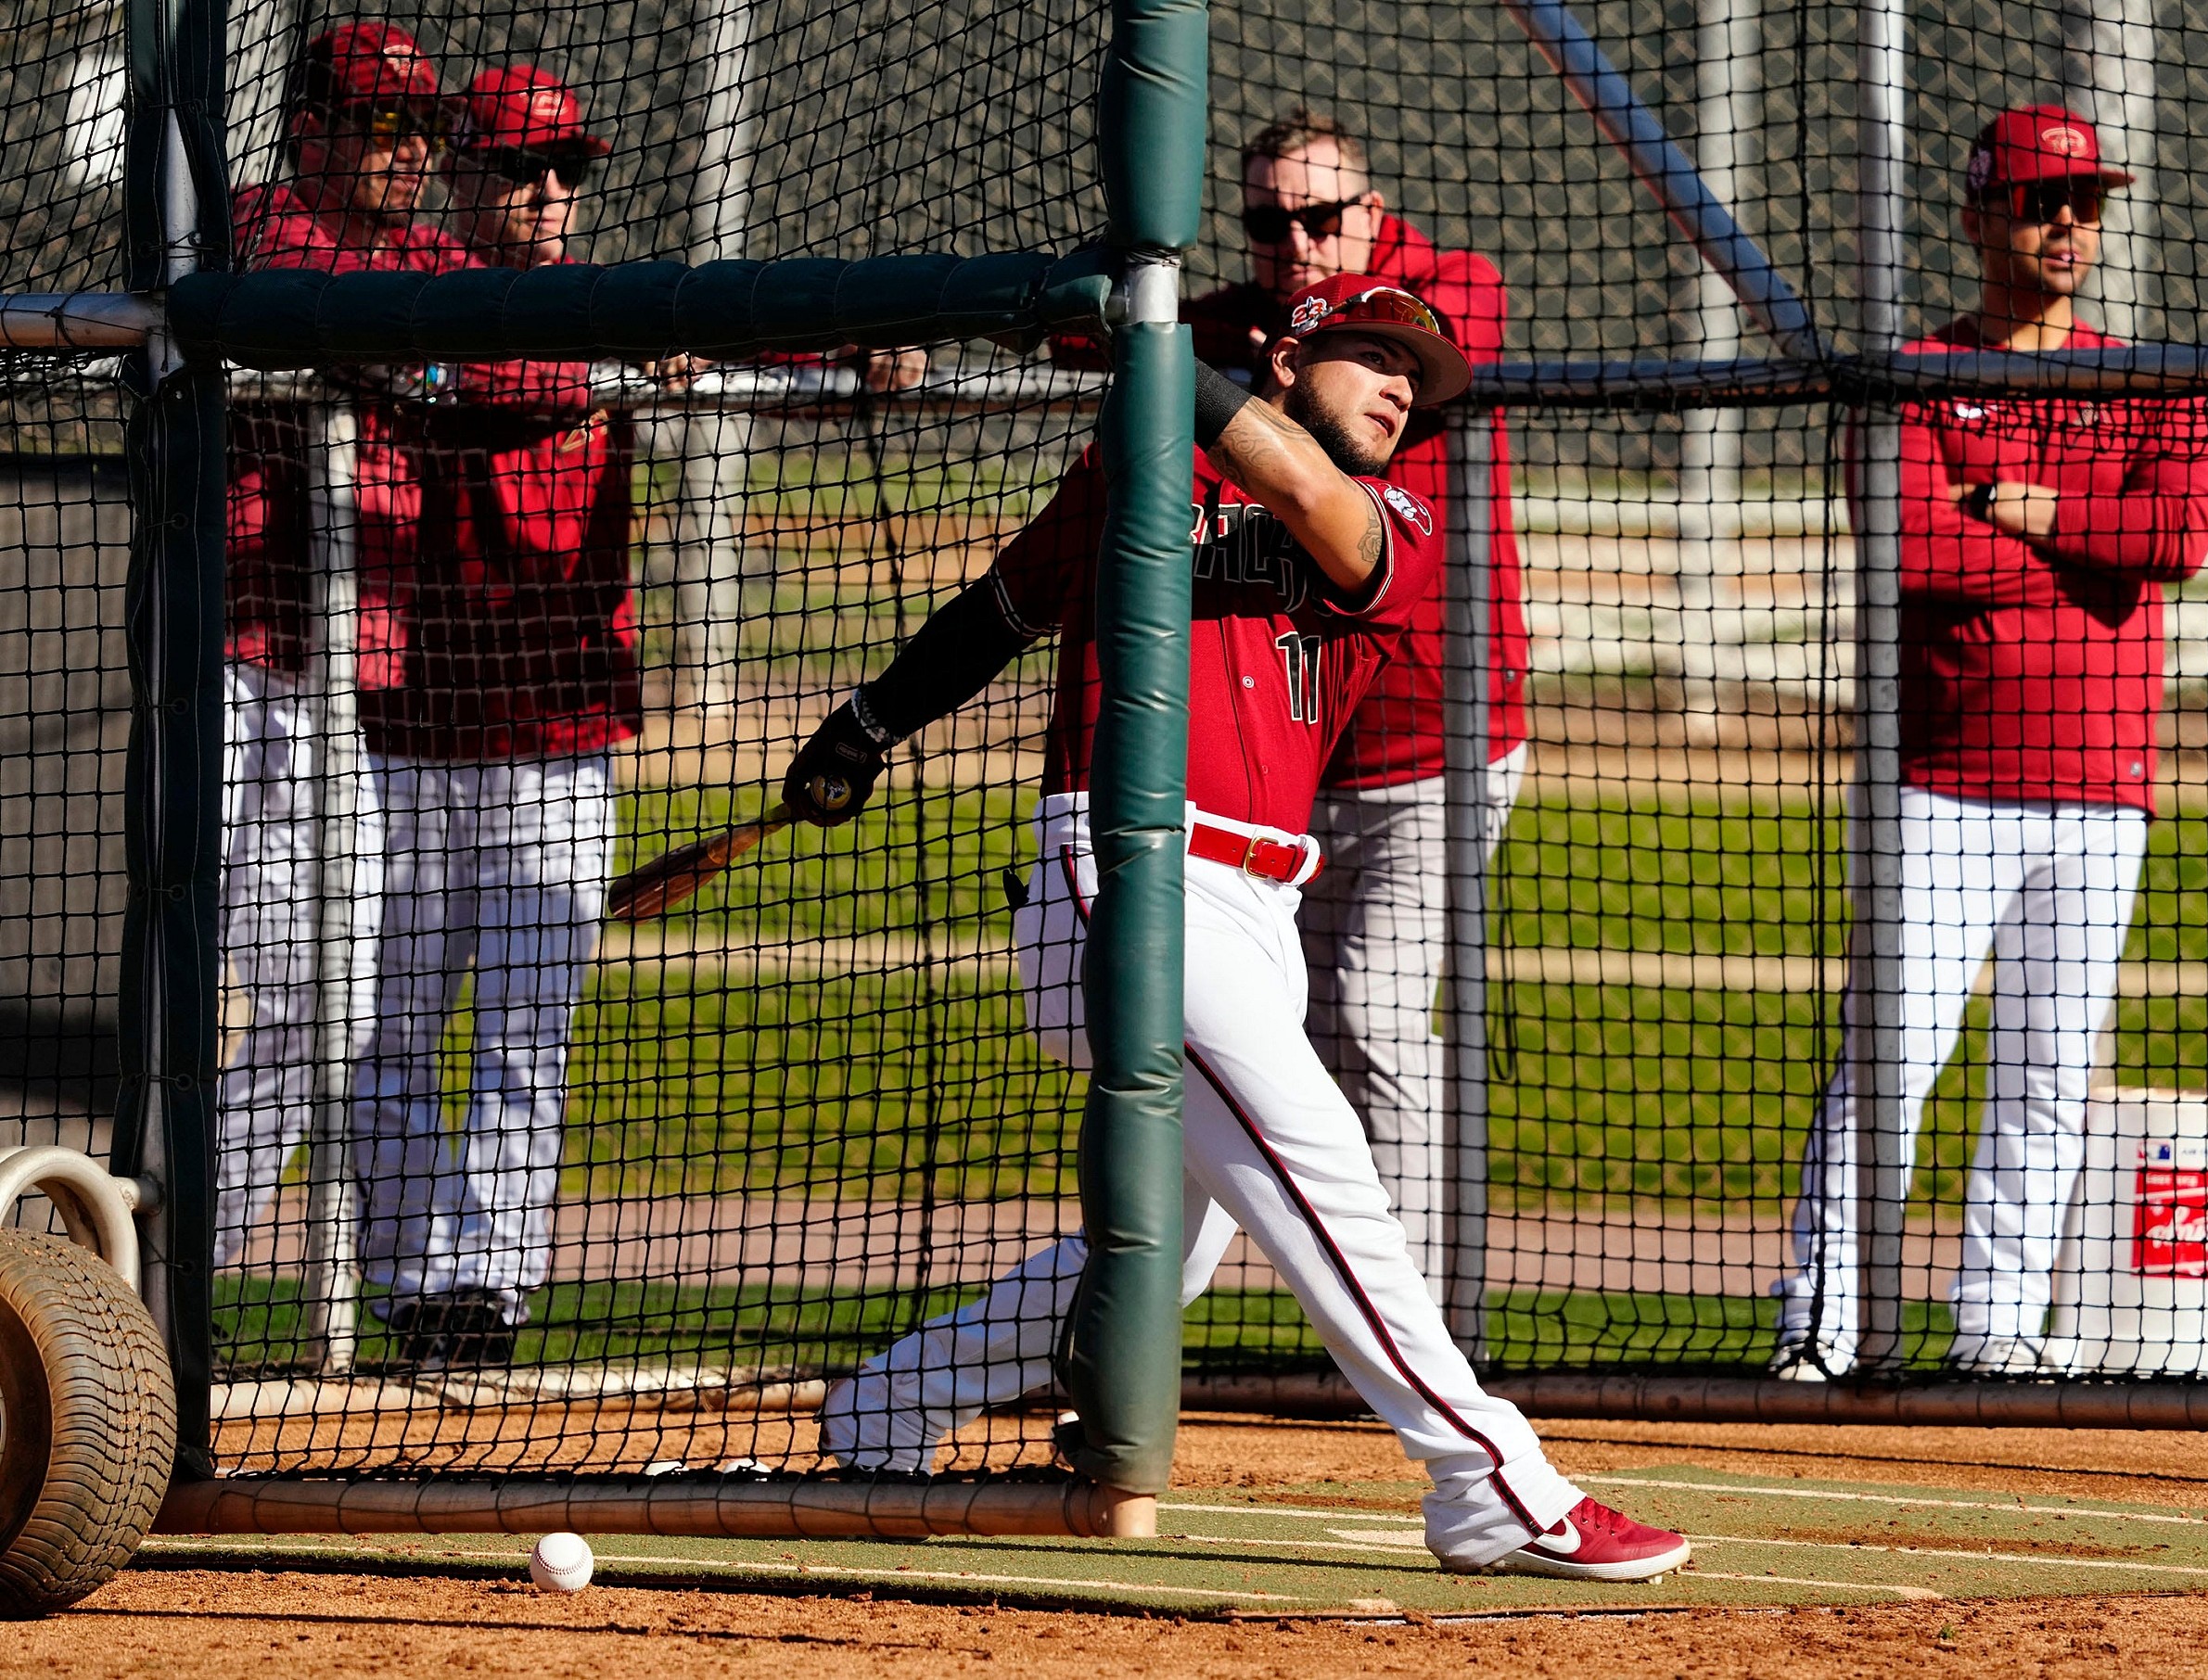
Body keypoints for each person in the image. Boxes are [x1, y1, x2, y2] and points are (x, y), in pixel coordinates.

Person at [785, 275, 1689, 1583]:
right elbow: (1001, 610)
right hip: (1132, 872)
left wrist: (1159, 361)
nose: (1401, 391)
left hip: (1262, 905)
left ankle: (887, 1406)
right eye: (1375, 357)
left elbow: (1307, 493)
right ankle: (1490, 1484)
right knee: (1328, 1176)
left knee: (1165, 1253)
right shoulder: (1134, 468)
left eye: (1419, 380)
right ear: (1286, 358)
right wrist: (868, 723)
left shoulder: (1396, 515)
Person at [1770, 105, 2208, 1379]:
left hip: (2103, 790)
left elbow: (2179, 538)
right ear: (1979, 218)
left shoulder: (2147, 377)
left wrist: (2022, 507)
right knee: (1890, 1066)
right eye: (2038, 202)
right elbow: (1911, 549)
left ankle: (1999, 1326)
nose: (2067, 224)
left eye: (2085, 202)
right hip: (1943, 789)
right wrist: (2090, 551)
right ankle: (1823, 1321)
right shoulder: (1916, 371)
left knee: (2047, 1078)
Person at [1184, 111, 1530, 1297]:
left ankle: (1417, 1312)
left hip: (1439, 745)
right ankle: (1346, 1307)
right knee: (1298, 1037)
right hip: (1296, 759)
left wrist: (1300, 342)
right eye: (1267, 222)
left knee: (1377, 1021)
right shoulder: (1244, 323)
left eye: (1321, 216)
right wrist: (898, 344)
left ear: (1371, 214)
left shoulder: (1447, 287)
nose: (1296, 241)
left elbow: (1441, 326)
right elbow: (1099, 328)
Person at [346, 64, 642, 1368]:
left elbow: (759, 318)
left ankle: (486, 1298)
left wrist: (866, 346)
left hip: (560, 737)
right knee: (387, 1031)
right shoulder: (409, 287)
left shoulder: (611, 302)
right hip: (408, 733)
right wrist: (596, 379)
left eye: (566, 168)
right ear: (462, 174)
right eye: (522, 166)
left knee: (525, 1038)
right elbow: (475, 374)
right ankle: (414, 1287)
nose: (548, 191)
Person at [214, 22, 469, 1270]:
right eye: (385, 124)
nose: (413, 151)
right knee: (194, 994)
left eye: (426, 130)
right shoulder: (265, 224)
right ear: (311, 130)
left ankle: (169, 1271)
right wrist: (425, 357)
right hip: (223, 677)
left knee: (332, 1007)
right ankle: (120, 1265)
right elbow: (329, 313)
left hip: (334, 699)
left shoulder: (426, 253)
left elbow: (534, 318)